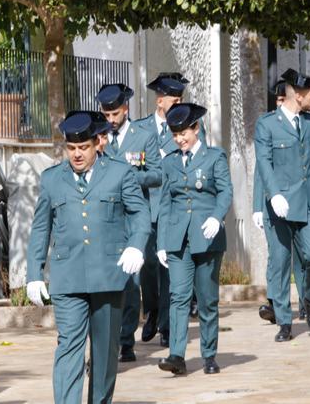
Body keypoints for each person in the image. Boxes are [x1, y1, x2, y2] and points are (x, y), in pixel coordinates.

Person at [26, 111, 150, 403]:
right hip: (67, 277)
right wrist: (33, 274)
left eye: (83, 147)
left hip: (108, 275)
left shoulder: (120, 172)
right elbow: (40, 228)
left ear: (98, 143)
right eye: (71, 148)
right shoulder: (52, 179)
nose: (77, 154)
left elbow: (140, 213)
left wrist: (136, 245)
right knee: (69, 346)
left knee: (105, 353)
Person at [254, 68, 310, 342]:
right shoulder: (266, 125)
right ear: (299, 95)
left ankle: (309, 298)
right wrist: (272, 194)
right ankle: (284, 321)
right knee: (280, 263)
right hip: (279, 207)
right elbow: (264, 164)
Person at [156, 103, 233, 375]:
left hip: (207, 237)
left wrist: (216, 216)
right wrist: (161, 243)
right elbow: (165, 203)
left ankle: (209, 355)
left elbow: (225, 192)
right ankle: (176, 355)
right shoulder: (169, 162)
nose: (179, 139)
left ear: (196, 129)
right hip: (178, 239)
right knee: (178, 295)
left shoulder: (214, 157)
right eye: (175, 134)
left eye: (183, 133)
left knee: (207, 298)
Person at [96, 83, 163, 362]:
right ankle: (106, 340)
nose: (111, 120)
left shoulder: (144, 136)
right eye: (106, 114)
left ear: (126, 109)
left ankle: (126, 341)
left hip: (134, 218)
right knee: (108, 281)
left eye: (115, 113)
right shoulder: (97, 137)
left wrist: (126, 179)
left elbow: (157, 174)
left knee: (132, 282)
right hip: (107, 219)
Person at [133, 73, 198, 345]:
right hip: (147, 206)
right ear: (160, 100)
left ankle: (166, 324)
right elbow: (135, 167)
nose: (180, 102)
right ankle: (153, 309)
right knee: (147, 263)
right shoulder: (140, 129)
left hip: (173, 207)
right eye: (176, 98)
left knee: (169, 265)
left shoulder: (187, 126)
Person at [254, 79, 307, 323]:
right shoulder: (267, 128)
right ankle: (275, 302)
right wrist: (257, 206)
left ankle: (306, 300)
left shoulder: (305, 126)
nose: (279, 105)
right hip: (274, 202)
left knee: (304, 256)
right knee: (278, 256)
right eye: (276, 101)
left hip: (300, 200)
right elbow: (261, 172)